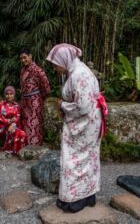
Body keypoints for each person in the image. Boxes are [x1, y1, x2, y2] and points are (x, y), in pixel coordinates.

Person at [46, 43, 108, 213]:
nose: (54, 67)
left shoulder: (79, 75)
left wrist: (62, 105)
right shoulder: (74, 72)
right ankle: (84, 196)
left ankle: (77, 198)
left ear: (64, 60)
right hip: (86, 120)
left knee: (74, 159)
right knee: (85, 158)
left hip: (86, 121)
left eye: (55, 63)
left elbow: (83, 106)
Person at [19, 47, 51, 146]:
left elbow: (46, 86)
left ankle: (35, 147)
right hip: (24, 101)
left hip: (35, 101)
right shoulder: (22, 70)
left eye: (25, 57)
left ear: (30, 56)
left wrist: (43, 98)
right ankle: (25, 146)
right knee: (24, 123)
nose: (23, 60)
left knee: (34, 124)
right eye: (21, 59)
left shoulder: (38, 70)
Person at [0, 86, 27, 155]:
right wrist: (9, 122)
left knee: (22, 133)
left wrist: (13, 124)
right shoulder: (0, 105)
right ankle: (10, 149)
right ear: (4, 95)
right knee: (13, 131)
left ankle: (17, 150)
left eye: (11, 94)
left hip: (13, 125)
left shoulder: (17, 105)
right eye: (7, 94)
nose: (9, 96)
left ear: (14, 95)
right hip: (2, 127)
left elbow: (17, 116)